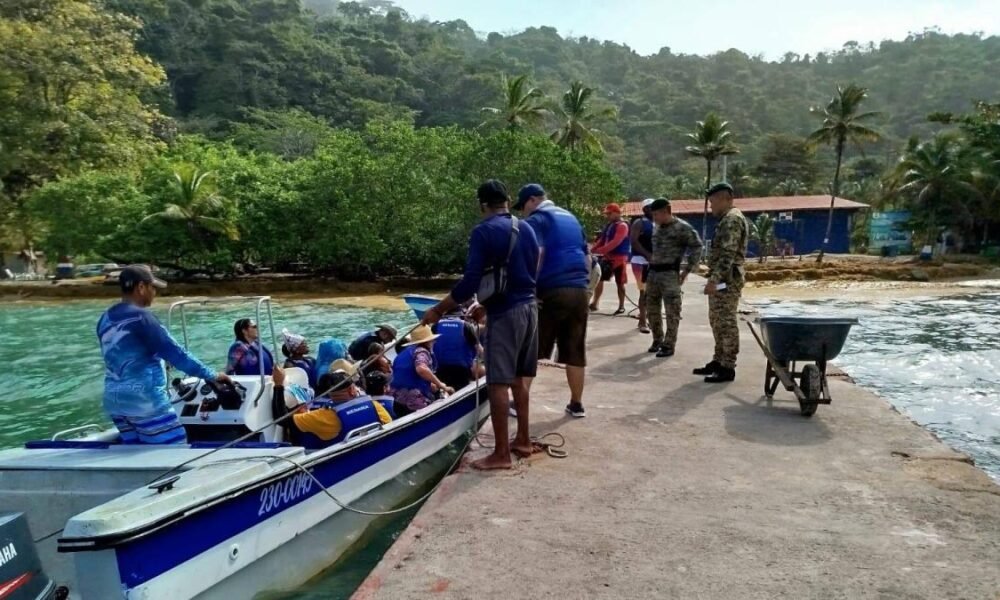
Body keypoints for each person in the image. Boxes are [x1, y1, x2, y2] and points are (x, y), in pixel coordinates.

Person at [421, 179, 540, 470]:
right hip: (530, 308)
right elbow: (532, 266)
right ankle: (522, 440)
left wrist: (437, 310)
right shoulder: (526, 227)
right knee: (519, 378)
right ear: (508, 200)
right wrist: (486, 304)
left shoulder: (483, 231)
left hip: (506, 313)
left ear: (482, 205)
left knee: (498, 381)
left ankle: (501, 454)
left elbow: (469, 284)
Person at [96, 264, 231, 444]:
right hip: (145, 403)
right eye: (152, 288)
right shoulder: (142, 318)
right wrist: (214, 375)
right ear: (141, 287)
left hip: (115, 402)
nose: (154, 293)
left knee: (136, 454)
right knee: (174, 449)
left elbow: (124, 353)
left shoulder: (105, 318)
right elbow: (179, 356)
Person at [515, 183, 590, 418]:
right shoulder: (572, 219)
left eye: (523, 207)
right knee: (576, 351)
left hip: (552, 289)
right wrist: (585, 287)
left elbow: (537, 254)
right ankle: (576, 404)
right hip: (580, 290)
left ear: (531, 201)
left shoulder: (536, 220)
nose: (523, 213)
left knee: (531, 351)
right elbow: (587, 256)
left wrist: (530, 289)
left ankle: (517, 404)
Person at [694, 183, 750, 383]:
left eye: (713, 202)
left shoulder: (732, 220)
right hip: (722, 280)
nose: (711, 207)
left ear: (726, 199)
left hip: (727, 280)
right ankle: (718, 361)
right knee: (717, 321)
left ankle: (728, 366)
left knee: (726, 322)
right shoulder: (727, 219)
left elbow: (728, 253)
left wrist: (714, 279)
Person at [272, 364, 391, 449]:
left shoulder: (324, 417)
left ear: (330, 394)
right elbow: (389, 426)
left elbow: (281, 418)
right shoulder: (375, 406)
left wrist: (278, 385)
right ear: (352, 390)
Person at [645, 198, 703, 358]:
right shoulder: (657, 227)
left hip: (670, 274)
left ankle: (669, 344)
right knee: (652, 309)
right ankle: (657, 339)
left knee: (672, 311)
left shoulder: (682, 228)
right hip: (653, 273)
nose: (654, 218)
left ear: (667, 211)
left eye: (657, 214)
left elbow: (697, 246)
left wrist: (687, 270)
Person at [391, 325, 454, 417]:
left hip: (397, 401)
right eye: (432, 340)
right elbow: (421, 369)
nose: (434, 342)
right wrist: (441, 385)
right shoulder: (422, 352)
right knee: (444, 396)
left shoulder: (404, 353)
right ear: (427, 341)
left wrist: (432, 383)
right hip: (413, 401)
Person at [590, 203, 631, 315]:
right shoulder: (609, 225)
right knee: (599, 279)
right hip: (607, 257)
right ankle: (595, 303)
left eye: (609, 213)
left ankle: (621, 306)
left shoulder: (623, 226)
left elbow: (616, 242)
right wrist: (592, 250)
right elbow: (602, 240)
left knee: (620, 282)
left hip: (619, 258)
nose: (607, 216)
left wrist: (601, 250)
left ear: (617, 213)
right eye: (607, 214)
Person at [432, 307, 482, 391]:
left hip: (440, 369)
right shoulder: (466, 326)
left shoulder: (435, 326)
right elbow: (479, 349)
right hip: (462, 370)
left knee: (444, 390)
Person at [629, 199, 656, 334]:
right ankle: (642, 322)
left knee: (652, 292)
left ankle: (649, 318)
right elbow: (633, 242)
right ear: (645, 209)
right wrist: (647, 255)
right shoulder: (639, 223)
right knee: (644, 292)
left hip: (653, 262)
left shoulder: (656, 223)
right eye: (652, 207)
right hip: (640, 261)